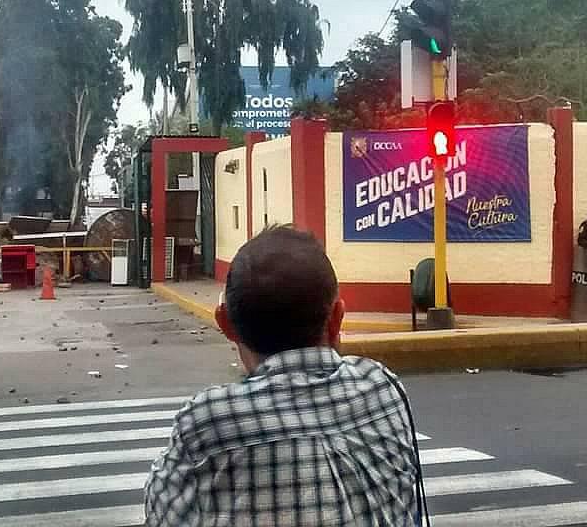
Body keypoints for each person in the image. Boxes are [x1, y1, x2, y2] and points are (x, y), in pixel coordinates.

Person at [144, 225, 423, 526]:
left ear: (226, 325)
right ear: (337, 318)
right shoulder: (382, 386)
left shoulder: (209, 421)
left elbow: (162, 513)